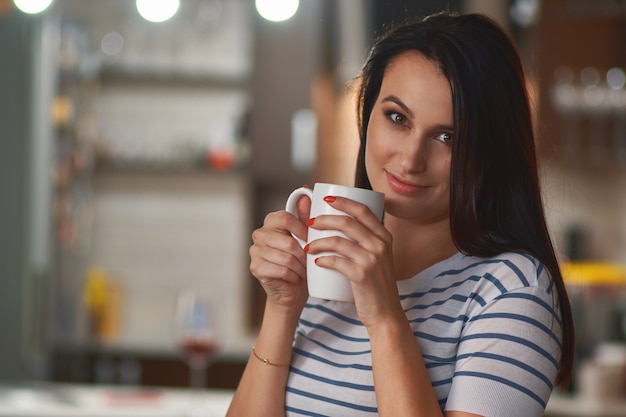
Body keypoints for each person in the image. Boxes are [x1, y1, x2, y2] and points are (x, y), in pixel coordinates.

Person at [226, 11, 574, 417]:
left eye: (448, 137)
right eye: (397, 118)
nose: (410, 159)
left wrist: (386, 317)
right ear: (367, 115)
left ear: (491, 151)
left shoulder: (512, 289)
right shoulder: (328, 270)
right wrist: (283, 307)